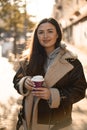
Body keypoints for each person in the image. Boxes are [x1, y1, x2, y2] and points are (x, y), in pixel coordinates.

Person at [13, 18, 87, 130]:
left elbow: (80, 90)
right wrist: (24, 83)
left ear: (57, 34)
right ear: (36, 36)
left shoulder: (71, 61)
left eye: (50, 31)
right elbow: (16, 80)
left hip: (58, 124)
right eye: (41, 32)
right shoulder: (28, 60)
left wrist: (53, 95)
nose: (45, 36)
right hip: (27, 123)